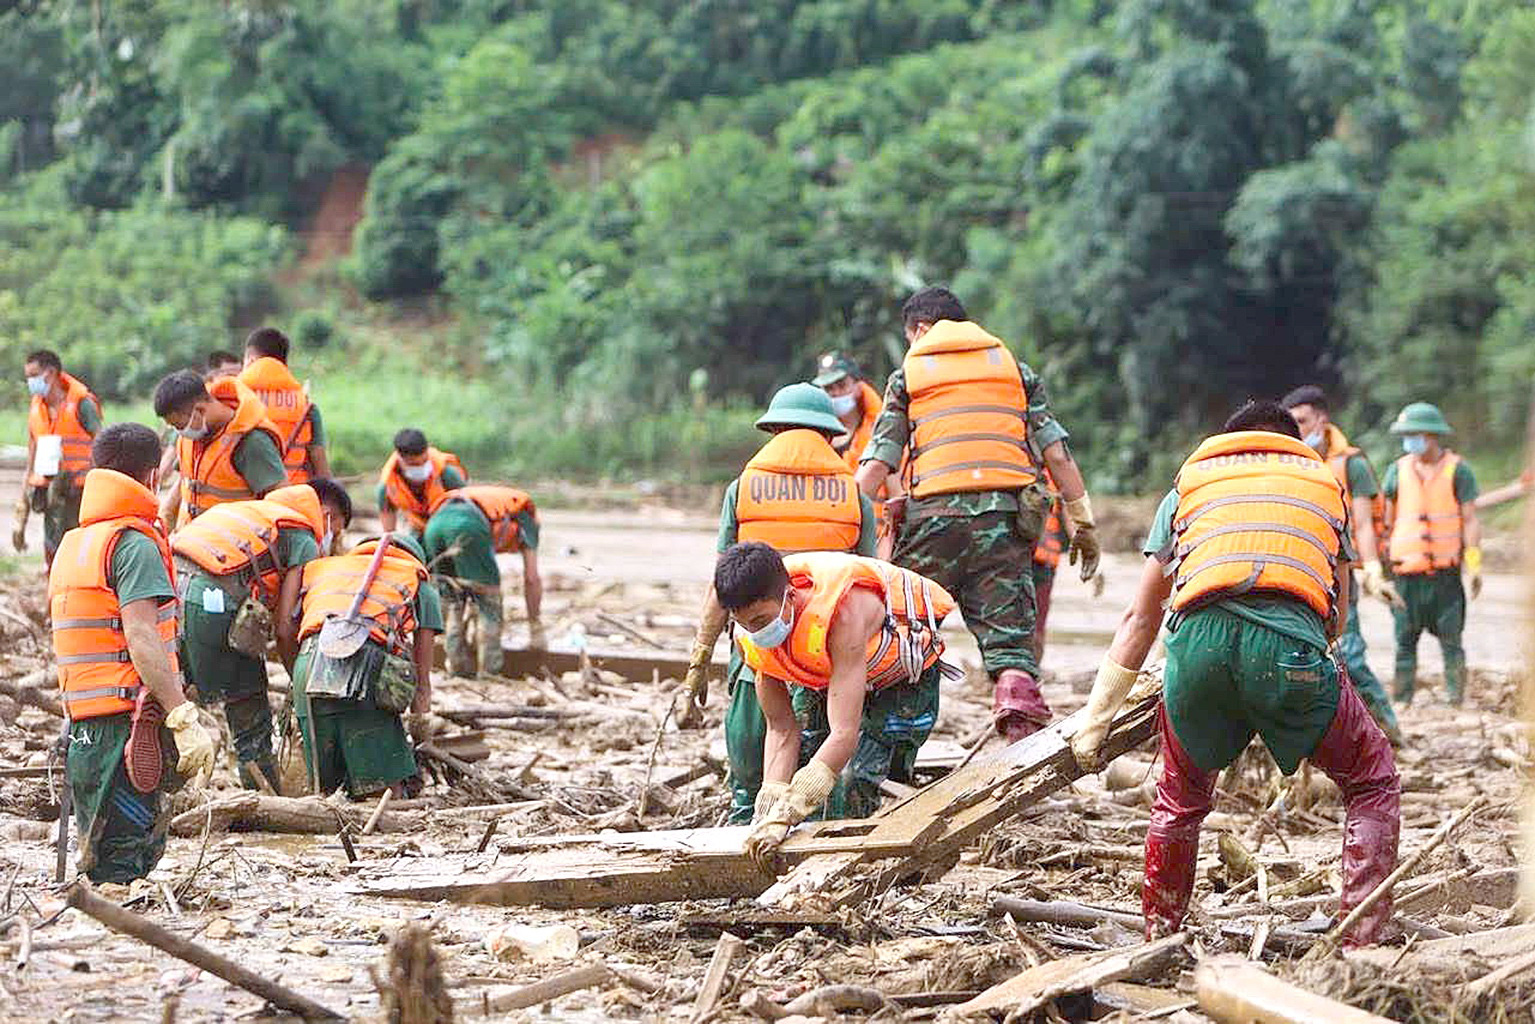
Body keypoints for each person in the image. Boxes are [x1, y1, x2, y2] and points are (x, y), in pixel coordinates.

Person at [1071, 400, 1400, 948]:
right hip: (1290, 650)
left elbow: (1140, 618)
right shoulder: (1323, 488)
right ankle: (1359, 944)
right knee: (1372, 780)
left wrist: (1095, 721)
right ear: (1292, 444)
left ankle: (1160, 935)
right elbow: (1337, 617)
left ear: (1229, 442)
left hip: (1196, 651)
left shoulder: (1188, 489)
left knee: (1180, 801)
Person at [855, 287, 1101, 742]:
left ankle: (887, 752)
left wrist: (849, 523)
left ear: (922, 329)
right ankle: (1020, 749)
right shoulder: (1014, 371)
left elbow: (878, 463)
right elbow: (1058, 456)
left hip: (932, 521)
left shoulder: (908, 375)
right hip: (1004, 525)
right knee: (1012, 650)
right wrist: (1082, 523)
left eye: (911, 338)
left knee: (909, 635)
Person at [678, 384, 879, 823]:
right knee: (825, 749)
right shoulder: (853, 496)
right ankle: (821, 830)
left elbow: (720, 583)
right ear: (828, 437)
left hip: (757, 637)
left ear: (774, 431)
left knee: (753, 746)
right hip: (827, 644)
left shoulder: (743, 488)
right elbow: (870, 580)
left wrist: (698, 663)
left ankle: (747, 821)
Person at [714, 543, 955, 867]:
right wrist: (770, 807)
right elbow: (781, 729)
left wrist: (792, 808)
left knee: (853, 777)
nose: (756, 632)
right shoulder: (750, 638)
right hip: (826, 678)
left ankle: (866, 866)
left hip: (898, 682)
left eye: (761, 619)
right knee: (806, 765)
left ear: (790, 595)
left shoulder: (844, 614)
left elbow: (844, 733)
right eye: (745, 623)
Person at [48, 423, 215, 883]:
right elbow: (141, 636)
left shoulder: (74, 543)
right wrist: (182, 715)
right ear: (151, 477)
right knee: (126, 863)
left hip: (86, 727)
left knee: (106, 867)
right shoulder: (132, 543)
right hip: (127, 728)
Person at [170, 479, 353, 792]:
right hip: (212, 599)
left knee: (174, 693)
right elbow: (284, 628)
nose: (333, 535)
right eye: (336, 526)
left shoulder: (255, 516)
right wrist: (300, 681)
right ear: (325, 515)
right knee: (249, 707)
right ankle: (264, 799)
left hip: (173, 588)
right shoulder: (301, 535)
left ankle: (158, 788)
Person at [1281, 385, 1403, 744]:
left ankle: (1389, 729)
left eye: (1302, 421)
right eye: (1292, 423)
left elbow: (1363, 523)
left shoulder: (1351, 464)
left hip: (1340, 571)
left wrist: (1372, 569)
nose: (1298, 429)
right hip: (1300, 572)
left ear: (1322, 418)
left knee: (1348, 655)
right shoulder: (1290, 462)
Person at [286, 532, 442, 798]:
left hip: (306, 666)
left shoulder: (332, 570)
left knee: (325, 795)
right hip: (364, 665)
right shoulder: (416, 581)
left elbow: (286, 627)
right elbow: (422, 681)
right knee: (385, 795)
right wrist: (420, 735)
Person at [1381, 402, 1481, 706]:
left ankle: (1455, 700)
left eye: (1414, 434)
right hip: (1405, 576)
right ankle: (1403, 699)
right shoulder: (1396, 471)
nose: (1409, 441)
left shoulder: (1458, 471)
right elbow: (1387, 523)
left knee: (1452, 641)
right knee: (1404, 642)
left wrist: (1474, 566)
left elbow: (1471, 520)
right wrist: (1380, 572)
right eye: (1406, 435)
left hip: (1446, 576)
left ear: (1432, 435)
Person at [422, 484, 543, 678]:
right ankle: (489, 672)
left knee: (453, 601)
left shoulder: (501, 505)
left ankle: (457, 668)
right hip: (468, 525)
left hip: (434, 525)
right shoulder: (528, 520)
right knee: (489, 602)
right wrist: (535, 624)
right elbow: (531, 578)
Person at [152, 370, 287, 521]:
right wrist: (164, 521)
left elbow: (280, 501)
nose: (180, 432)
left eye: (179, 425)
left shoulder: (251, 442)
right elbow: (184, 482)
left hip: (236, 541)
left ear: (199, 410)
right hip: (190, 540)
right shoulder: (191, 437)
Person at [16, 350, 103, 569]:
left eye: (33, 375)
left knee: (80, 554)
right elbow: (31, 458)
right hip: (50, 495)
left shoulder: (82, 403)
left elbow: (102, 446)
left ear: (51, 373)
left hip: (79, 494)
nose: (30, 382)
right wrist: (21, 513)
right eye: (28, 377)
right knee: (52, 554)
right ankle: (54, 601)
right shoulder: (37, 408)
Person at [812, 352, 905, 556]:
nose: (835, 393)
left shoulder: (881, 434)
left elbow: (897, 493)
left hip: (874, 546)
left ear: (857, 385)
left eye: (841, 385)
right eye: (828, 388)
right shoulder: (812, 438)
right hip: (823, 546)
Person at [239, 327, 332, 484]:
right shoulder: (306, 406)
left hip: (246, 502)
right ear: (284, 363)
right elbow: (319, 463)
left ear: (251, 360)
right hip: (293, 498)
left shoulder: (234, 400)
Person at [378, 429, 467, 535]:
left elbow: (466, 505)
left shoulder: (446, 473)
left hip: (448, 525)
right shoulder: (388, 484)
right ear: (400, 458)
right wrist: (392, 541)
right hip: (417, 527)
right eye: (414, 465)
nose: (420, 467)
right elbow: (387, 515)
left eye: (424, 462)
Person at [1031, 479, 1070, 666]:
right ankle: (1030, 677)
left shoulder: (1015, 466)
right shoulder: (1055, 472)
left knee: (1010, 623)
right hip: (1037, 558)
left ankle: (1027, 675)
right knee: (1035, 625)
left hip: (1038, 559)